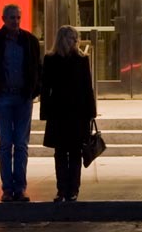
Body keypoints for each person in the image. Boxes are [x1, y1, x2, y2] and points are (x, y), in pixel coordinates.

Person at [0, 4, 45, 202]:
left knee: (22, 144)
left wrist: (34, 91)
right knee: (6, 143)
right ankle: (7, 189)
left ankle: (20, 188)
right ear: (3, 19)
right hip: (4, 98)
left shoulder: (30, 41)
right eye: (12, 18)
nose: (15, 21)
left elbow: (38, 68)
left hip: (24, 98)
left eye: (18, 17)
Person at [40, 25, 98, 203]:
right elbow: (46, 87)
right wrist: (45, 112)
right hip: (58, 112)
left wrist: (91, 113)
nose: (76, 41)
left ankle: (73, 189)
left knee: (74, 152)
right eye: (72, 38)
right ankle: (62, 189)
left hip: (77, 113)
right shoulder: (51, 59)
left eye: (76, 38)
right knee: (60, 153)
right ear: (63, 39)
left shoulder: (81, 59)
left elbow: (88, 88)